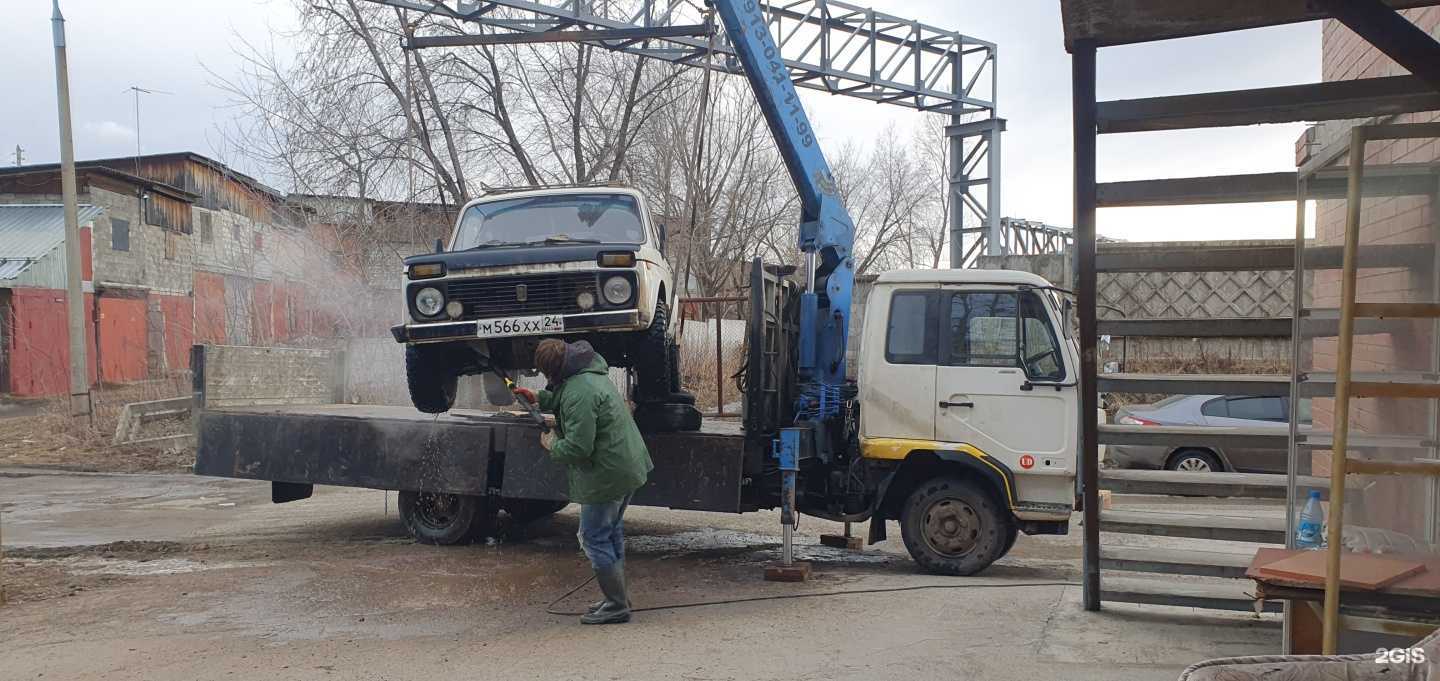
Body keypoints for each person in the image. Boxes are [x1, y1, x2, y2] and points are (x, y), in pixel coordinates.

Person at [513, 338, 653, 625]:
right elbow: (565, 394)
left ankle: (616, 605)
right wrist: (539, 398)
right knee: (610, 532)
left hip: (607, 475)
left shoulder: (579, 393)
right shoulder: (587, 374)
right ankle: (618, 598)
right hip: (624, 467)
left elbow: (578, 448)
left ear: (553, 371)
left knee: (592, 536)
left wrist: (553, 444)